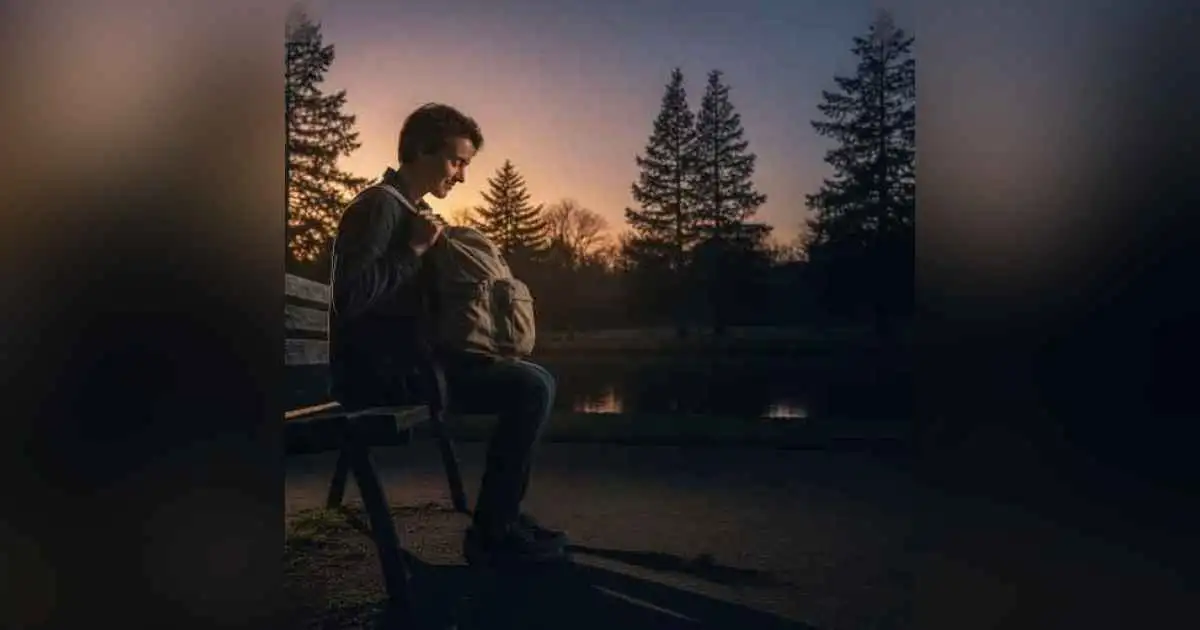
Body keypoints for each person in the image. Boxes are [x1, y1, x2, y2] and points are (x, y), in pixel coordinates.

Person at [327, 103, 568, 565]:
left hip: (409, 366)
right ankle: (493, 534)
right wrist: (415, 249)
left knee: (532, 377)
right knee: (531, 386)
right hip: (380, 379)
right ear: (420, 150)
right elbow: (350, 298)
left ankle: (502, 517)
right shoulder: (377, 206)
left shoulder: (406, 209)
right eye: (457, 161)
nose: (461, 176)